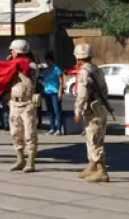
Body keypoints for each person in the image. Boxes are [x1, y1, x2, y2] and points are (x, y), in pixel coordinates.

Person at [73, 43, 110, 183]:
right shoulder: (96, 70)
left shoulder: (84, 72)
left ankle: (102, 171)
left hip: (92, 111)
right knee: (92, 138)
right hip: (99, 108)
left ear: (78, 58)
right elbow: (106, 90)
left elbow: (82, 95)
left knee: (95, 140)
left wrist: (78, 110)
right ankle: (92, 166)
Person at [7, 39, 39, 173]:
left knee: (29, 134)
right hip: (14, 103)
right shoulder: (12, 65)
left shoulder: (30, 66)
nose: (11, 53)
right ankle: (20, 159)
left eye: (12, 51)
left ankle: (30, 161)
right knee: (15, 133)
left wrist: (14, 65)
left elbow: (28, 73)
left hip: (27, 104)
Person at [42, 52, 64, 135]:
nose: (47, 62)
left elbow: (61, 81)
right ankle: (52, 127)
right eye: (46, 61)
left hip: (55, 92)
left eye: (48, 61)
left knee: (56, 110)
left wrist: (60, 92)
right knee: (50, 111)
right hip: (47, 92)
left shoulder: (56, 69)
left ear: (52, 61)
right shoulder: (46, 70)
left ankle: (59, 128)